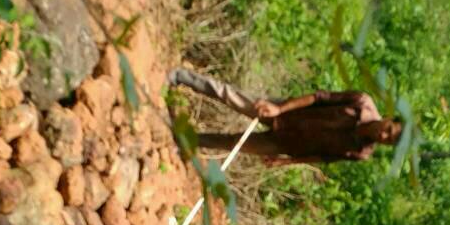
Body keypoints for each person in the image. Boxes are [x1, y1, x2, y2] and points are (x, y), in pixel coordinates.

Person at [168, 67, 402, 166]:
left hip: (287, 144)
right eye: (389, 130)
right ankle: (182, 77)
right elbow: (318, 97)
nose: (383, 136)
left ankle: (183, 139)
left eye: (388, 140)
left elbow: (323, 157)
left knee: (234, 143)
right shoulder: (361, 102)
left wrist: (286, 161)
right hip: (286, 112)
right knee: (230, 96)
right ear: (389, 118)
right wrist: (279, 109)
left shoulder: (361, 152)